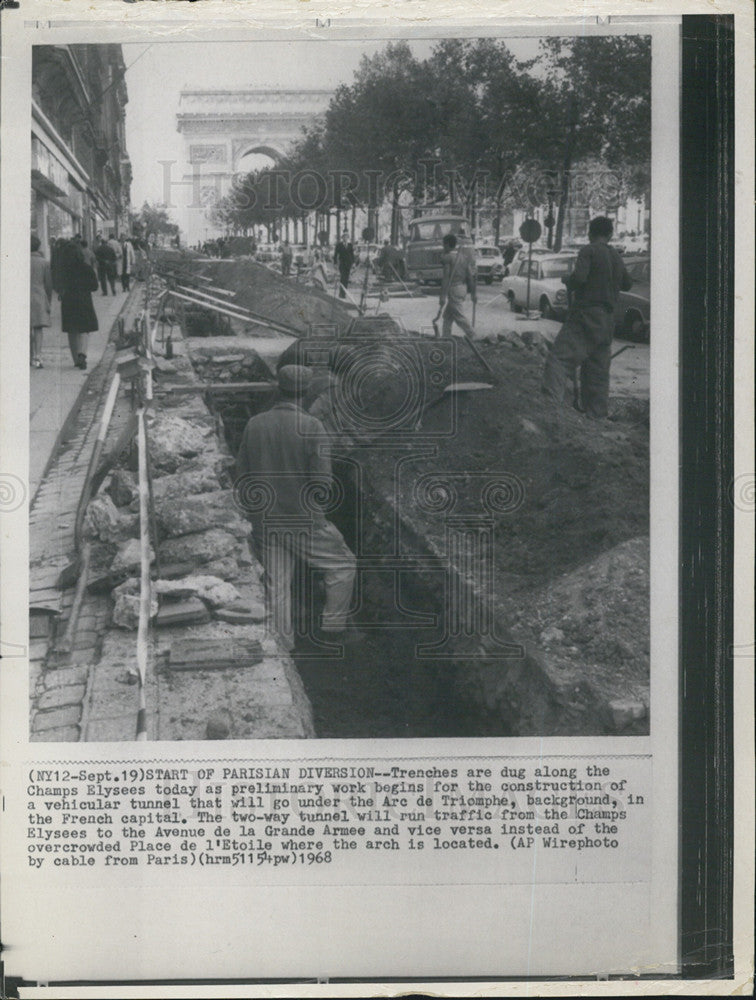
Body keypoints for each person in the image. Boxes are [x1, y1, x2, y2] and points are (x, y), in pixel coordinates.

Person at [235, 365, 361, 652]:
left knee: (277, 584)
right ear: (304, 393)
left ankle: (283, 646)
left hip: (265, 521)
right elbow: (322, 484)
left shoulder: (254, 423)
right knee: (343, 565)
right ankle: (333, 628)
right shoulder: (313, 427)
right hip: (304, 522)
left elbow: (241, 474)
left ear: (278, 388)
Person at [541, 216, 633, 418]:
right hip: (608, 321)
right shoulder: (616, 256)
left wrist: (569, 280)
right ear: (610, 235)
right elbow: (627, 284)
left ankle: (549, 413)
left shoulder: (589, 250)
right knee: (597, 373)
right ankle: (596, 417)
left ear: (590, 233)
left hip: (586, 315)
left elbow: (580, 278)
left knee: (558, 360)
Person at [58, 238, 99, 370]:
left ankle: (75, 359)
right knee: (84, 329)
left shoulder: (63, 270)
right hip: (84, 300)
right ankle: (82, 353)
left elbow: (58, 285)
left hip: (68, 301)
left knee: (72, 330)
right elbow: (94, 286)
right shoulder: (86, 268)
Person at [439, 233, 477, 339]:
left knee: (459, 316)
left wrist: (442, 296)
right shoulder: (463, 257)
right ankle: (445, 336)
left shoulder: (448, 258)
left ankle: (473, 335)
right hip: (462, 287)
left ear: (447, 244)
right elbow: (470, 277)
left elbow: (446, 278)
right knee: (447, 316)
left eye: (443, 245)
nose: (443, 247)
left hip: (454, 288)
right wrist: (473, 293)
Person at [30, 234, 52, 368]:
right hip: (39, 297)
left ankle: (27, 356)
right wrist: (48, 302)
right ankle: (38, 357)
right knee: (38, 329)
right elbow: (48, 285)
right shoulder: (44, 263)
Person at [333, 230, 354, 298]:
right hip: (342, 264)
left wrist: (353, 263)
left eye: (346, 237)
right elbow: (335, 254)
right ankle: (341, 293)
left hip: (348, 264)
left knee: (346, 279)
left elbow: (352, 255)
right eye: (344, 237)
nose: (345, 238)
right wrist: (335, 263)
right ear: (342, 238)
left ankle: (344, 293)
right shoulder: (339, 245)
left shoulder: (350, 245)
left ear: (348, 238)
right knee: (342, 278)